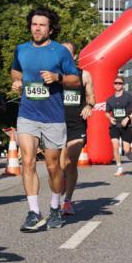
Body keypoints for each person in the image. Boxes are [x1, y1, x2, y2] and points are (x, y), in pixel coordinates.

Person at [10, 8, 81, 232]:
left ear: (50, 28)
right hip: (28, 114)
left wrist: (57, 77)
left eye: (42, 25)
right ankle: (33, 212)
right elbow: (15, 71)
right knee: (28, 161)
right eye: (34, 24)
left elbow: (75, 80)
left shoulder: (60, 52)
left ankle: (55, 207)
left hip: (53, 116)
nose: (37, 28)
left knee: (53, 167)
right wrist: (17, 81)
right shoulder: (21, 49)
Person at [60, 42, 96, 213]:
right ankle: (61, 186)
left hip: (76, 124)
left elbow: (92, 97)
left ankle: (67, 201)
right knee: (58, 167)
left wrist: (89, 105)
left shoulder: (84, 75)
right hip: (56, 124)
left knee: (71, 163)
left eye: (69, 53)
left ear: (74, 56)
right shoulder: (53, 75)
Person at [104, 74, 132, 178]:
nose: (118, 85)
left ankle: (130, 153)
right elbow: (106, 112)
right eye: (116, 83)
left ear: (123, 85)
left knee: (126, 150)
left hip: (126, 126)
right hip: (114, 125)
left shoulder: (128, 97)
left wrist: (127, 118)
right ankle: (119, 167)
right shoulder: (110, 99)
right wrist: (110, 118)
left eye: (120, 83)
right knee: (115, 145)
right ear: (114, 85)